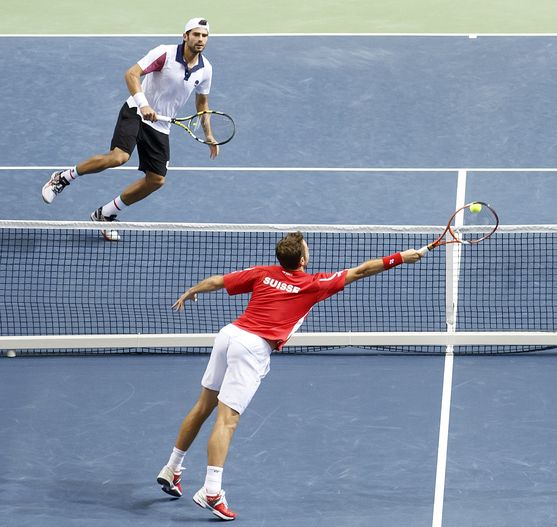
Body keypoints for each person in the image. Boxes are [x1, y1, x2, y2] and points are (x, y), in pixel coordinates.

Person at [157, 232, 423, 521]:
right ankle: (211, 491)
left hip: (229, 335)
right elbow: (361, 270)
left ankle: (172, 468)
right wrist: (401, 258)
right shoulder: (313, 284)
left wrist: (193, 289)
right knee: (227, 420)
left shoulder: (262, 273)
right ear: (303, 260)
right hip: (251, 348)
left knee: (203, 406)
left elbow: (218, 281)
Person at [41, 17, 218, 242]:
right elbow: (131, 74)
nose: (200, 39)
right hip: (136, 111)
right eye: (196, 34)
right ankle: (62, 178)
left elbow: (202, 104)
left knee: (156, 180)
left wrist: (208, 133)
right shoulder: (164, 53)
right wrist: (143, 104)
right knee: (119, 156)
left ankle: (105, 215)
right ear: (185, 36)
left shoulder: (206, 69)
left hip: (161, 125)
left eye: (204, 35)